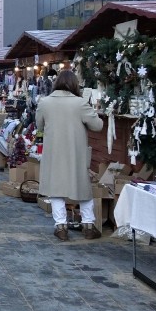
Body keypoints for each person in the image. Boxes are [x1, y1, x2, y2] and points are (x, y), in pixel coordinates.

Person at [36, 70, 104, 241]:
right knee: (82, 186)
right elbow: (97, 126)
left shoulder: (45, 102)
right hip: (76, 151)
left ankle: (61, 226)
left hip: (54, 151)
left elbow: (40, 125)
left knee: (55, 188)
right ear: (74, 84)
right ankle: (88, 224)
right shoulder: (80, 103)